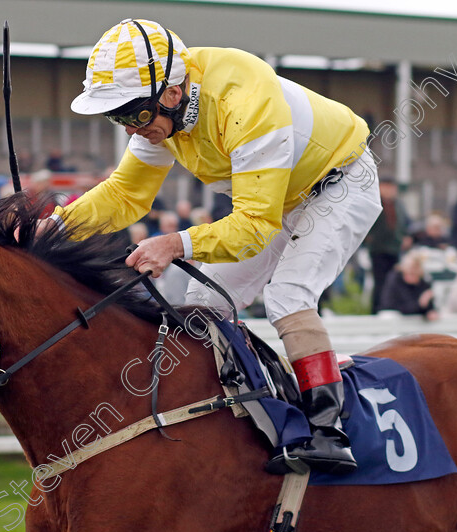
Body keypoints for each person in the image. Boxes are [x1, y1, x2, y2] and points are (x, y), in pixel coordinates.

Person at [43, 19, 381, 474]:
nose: (128, 129)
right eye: (116, 116)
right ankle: (233, 415)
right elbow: (126, 195)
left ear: (171, 93)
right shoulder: (163, 112)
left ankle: (328, 432)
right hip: (278, 197)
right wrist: (55, 226)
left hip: (340, 184)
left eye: (132, 115)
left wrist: (175, 244)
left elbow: (254, 229)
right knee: (203, 304)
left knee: (288, 295)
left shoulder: (244, 102)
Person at [364, 178, 411, 313]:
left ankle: (389, 307)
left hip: (395, 248)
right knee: (380, 282)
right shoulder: (374, 202)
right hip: (378, 248)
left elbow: (405, 223)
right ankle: (377, 309)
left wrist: (406, 237)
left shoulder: (398, 205)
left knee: (393, 280)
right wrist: (368, 238)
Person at [379, 251, 438, 320]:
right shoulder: (395, 280)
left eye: (415, 274)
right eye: (410, 273)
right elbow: (395, 306)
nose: (412, 277)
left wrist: (429, 310)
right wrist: (420, 304)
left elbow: (429, 308)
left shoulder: (423, 284)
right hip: (396, 320)